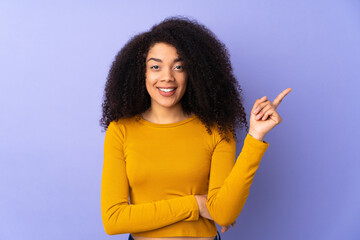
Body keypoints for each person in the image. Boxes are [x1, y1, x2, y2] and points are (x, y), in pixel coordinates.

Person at [99, 16, 292, 240]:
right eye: (155, 67)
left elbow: (224, 215)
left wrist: (255, 136)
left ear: (194, 73)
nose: (167, 77)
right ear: (141, 73)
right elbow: (113, 220)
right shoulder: (120, 131)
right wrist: (196, 204)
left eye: (179, 67)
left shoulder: (217, 129)